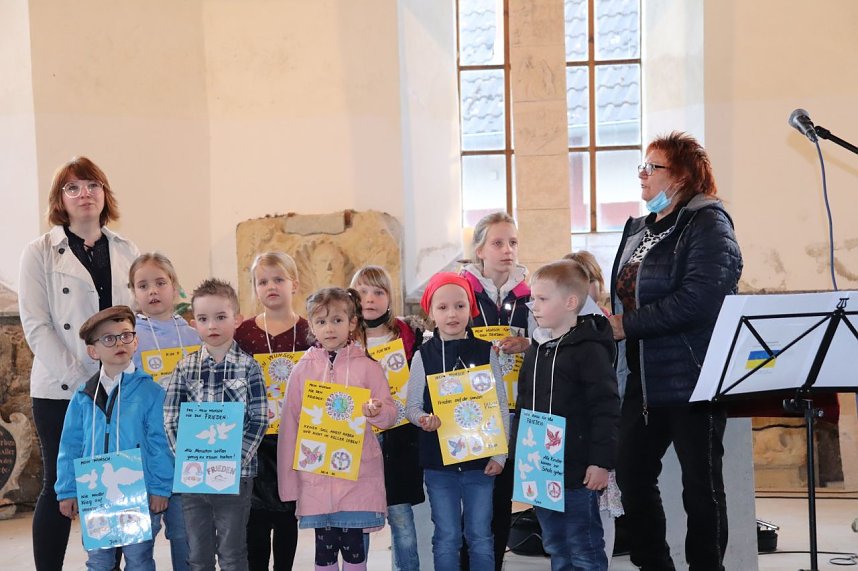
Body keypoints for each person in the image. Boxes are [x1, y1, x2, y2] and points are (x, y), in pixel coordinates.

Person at [608, 132, 742, 570]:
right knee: (631, 474)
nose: (643, 175)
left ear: (682, 175)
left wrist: (627, 325)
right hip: (642, 380)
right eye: (641, 167)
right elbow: (626, 294)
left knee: (700, 488)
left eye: (653, 167)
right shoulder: (640, 227)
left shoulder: (708, 223)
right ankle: (655, 564)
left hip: (694, 376)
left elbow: (701, 299)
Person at [18, 156, 139, 571]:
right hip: (61, 390)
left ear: (104, 194)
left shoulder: (127, 250)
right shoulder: (38, 252)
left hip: (121, 385)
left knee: (117, 480)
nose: (84, 194)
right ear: (60, 200)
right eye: (73, 188)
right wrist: (83, 379)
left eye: (91, 185)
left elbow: (134, 319)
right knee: (58, 486)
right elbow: (37, 327)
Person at [277, 287, 396, 571]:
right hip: (316, 482)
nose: (329, 328)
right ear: (312, 326)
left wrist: (376, 412)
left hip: (357, 480)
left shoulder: (368, 367)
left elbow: (390, 413)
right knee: (324, 554)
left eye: (337, 320)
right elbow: (289, 427)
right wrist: (289, 485)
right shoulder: (301, 370)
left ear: (352, 323)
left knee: (355, 554)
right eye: (321, 321)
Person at [512, 260, 620, 571]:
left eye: (543, 299)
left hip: (576, 472)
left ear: (571, 302)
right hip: (540, 469)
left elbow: (606, 408)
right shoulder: (536, 349)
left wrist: (601, 462)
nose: (534, 306)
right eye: (533, 298)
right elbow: (524, 405)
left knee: (583, 546)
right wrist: (521, 456)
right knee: (556, 544)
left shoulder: (590, 350)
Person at [405, 272, 510, 571]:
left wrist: (500, 454)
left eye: (460, 306)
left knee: (480, 536)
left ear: (471, 309)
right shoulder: (422, 356)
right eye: (443, 307)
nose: (452, 314)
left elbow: (500, 404)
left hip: (481, 463)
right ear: (431, 313)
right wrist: (423, 419)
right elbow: (411, 406)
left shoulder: (486, 351)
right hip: (440, 467)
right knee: (447, 536)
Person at [55, 306, 173, 570]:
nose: (119, 343)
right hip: (95, 494)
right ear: (93, 351)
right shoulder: (84, 396)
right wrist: (68, 490)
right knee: (98, 561)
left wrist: (159, 488)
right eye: (108, 338)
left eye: (125, 335)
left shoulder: (151, 392)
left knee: (139, 559)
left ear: (135, 341)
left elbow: (159, 443)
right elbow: (70, 446)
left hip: (138, 495)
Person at [164, 279, 268, 571]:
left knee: (233, 552)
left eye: (221, 317)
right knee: (197, 554)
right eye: (203, 318)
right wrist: (187, 455)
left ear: (237, 319)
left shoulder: (248, 367)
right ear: (194, 323)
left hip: (235, 477)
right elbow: (172, 416)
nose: (213, 325)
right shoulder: (184, 368)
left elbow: (259, 418)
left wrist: (233, 458)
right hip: (194, 478)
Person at [459, 212, 534, 570]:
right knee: (470, 502)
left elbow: (548, 342)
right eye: (498, 243)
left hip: (514, 411)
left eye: (513, 242)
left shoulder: (531, 296)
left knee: (503, 499)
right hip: (471, 411)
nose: (507, 250)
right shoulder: (462, 294)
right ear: (479, 250)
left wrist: (529, 343)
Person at [235, 252, 310, 571]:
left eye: (278, 279)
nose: (271, 286)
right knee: (254, 517)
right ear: (254, 288)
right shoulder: (244, 333)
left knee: (286, 515)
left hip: (293, 439)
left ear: (294, 284)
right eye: (262, 281)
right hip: (254, 438)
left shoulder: (310, 331)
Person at [351, 265, 424, 571]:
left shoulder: (408, 335)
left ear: (389, 297)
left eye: (378, 291)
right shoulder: (345, 338)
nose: (370, 299)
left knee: (402, 519)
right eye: (363, 291)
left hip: (401, 438)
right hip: (359, 439)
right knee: (360, 520)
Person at [129, 252, 199, 571]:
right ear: (133, 292)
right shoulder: (128, 337)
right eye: (143, 285)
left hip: (188, 450)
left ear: (175, 287)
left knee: (188, 537)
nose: (153, 291)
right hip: (146, 451)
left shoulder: (194, 334)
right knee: (141, 538)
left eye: (160, 282)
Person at [563, 251, 624, 564]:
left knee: (602, 512)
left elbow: (613, 388)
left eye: (591, 281)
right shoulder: (552, 327)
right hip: (566, 437)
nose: (586, 291)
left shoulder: (606, 325)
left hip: (597, 433)